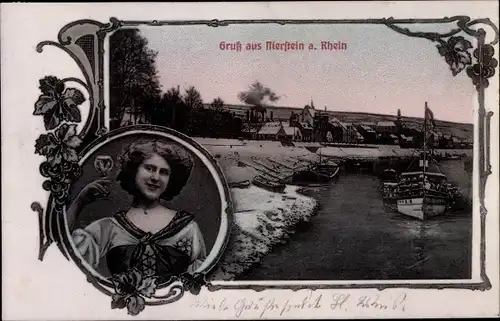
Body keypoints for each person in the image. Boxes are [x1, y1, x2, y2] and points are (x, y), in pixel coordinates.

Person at [67, 140, 207, 284]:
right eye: (150, 168)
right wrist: (80, 201)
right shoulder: (108, 228)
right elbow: (64, 256)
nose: (155, 177)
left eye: (164, 172)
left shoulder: (188, 229)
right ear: (134, 171)